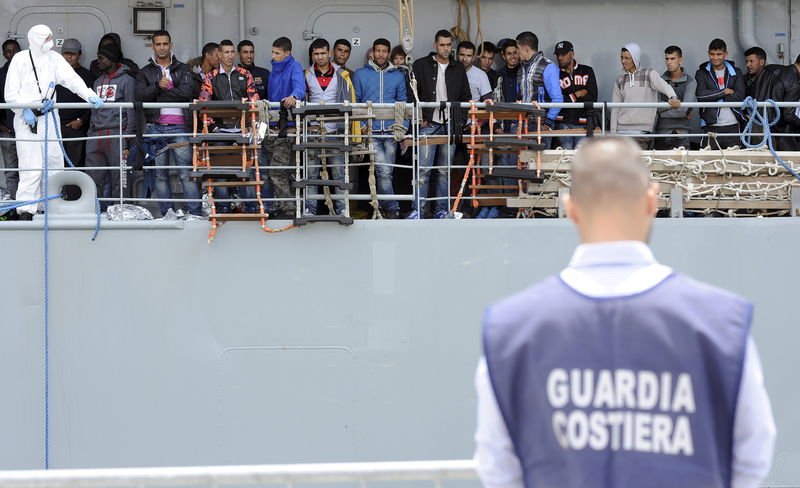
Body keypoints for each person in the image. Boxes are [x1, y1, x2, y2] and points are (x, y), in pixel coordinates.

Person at [475, 136, 776, 488]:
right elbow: (753, 451)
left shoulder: (511, 332)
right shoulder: (721, 325)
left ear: (570, 208)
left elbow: (498, 467)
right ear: (652, 200)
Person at [4, 25, 103, 220]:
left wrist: (89, 96)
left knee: (54, 162)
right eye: (46, 38)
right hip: (26, 121)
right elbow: (10, 92)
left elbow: (72, 80)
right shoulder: (20, 59)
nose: (50, 42)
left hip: (49, 117)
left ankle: (49, 205)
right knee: (30, 165)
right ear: (36, 39)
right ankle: (27, 209)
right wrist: (23, 108)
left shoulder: (54, 59)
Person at [136, 29, 201, 216]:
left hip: (180, 126)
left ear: (171, 45)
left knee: (186, 174)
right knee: (160, 176)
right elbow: (140, 96)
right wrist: (157, 86)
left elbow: (187, 93)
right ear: (153, 46)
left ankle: (195, 213)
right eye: (158, 44)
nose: (162, 47)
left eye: (165, 44)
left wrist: (159, 93)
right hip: (155, 127)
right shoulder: (144, 72)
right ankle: (167, 214)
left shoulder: (183, 68)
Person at [408, 29, 470, 219]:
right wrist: (420, 117)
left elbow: (466, 98)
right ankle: (417, 210)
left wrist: (458, 121)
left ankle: (441, 210)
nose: (445, 48)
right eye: (442, 45)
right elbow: (412, 94)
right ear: (435, 45)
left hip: (450, 125)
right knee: (424, 169)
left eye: (448, 45)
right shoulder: (420, 65)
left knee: (445, 170)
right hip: (428, 123)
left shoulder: (458, 68)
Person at [198, 38, 259, 214]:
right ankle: (223, 209)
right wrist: (214, 128)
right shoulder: (211, 77)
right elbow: (204, 105)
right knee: (220, 173)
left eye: (232, 52)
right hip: (220, 132)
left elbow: (254, 101)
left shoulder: (245, 74)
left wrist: (248, 125)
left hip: (242, 131)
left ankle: (251, 208)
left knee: (245, 170)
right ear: (219, 54)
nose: (230, 55)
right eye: (226, 52)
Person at [354, 37, 408, 219]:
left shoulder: (398, 76)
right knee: (384, 171)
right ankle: (392, 207)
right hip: (371, 133)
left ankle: (385, 208)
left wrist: (402, 129)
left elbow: (403, 105)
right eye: (378, 50)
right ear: (372, 52)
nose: (381, 54)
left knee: (387, 173)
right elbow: (356, 103)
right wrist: (362, 127)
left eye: (384, 51)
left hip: (392, 132)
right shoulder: (361, 74)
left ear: (388, 53)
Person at [303, 38, 352, 216]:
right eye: (316, 54)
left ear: (329, 53)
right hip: (313, 132)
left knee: (339, 173)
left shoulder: (342, 74)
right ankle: (311, 209)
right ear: (312, 55)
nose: (320, 57)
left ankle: (342, 209)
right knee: (311, 174)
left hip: (336, 132)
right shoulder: (306, 74)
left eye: (323, 53)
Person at [86, 43, 136, 211]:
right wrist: (90, 133)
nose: (98, 61)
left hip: (117, 134)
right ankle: (96, 212)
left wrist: (127, 140)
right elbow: (93, 110)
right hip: (97, 135)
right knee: (94, 178)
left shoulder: (127, 81)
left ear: (112, 59)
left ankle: (121, 212)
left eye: (102, 58)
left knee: (119, 180)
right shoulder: (97, 82)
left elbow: (132, 112)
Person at [264, 36, 306, 219]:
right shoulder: (273, 71)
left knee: (277, 170)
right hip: (272, 126)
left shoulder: (294, 66)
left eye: (277, 53)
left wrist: (294, 96)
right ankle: (284, 205)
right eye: (273, 52)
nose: (273, 56)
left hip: (286, 127)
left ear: (287, 53)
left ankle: (289, 208)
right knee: (279, 171)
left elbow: (299, 86)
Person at [611, 42, 680, 149]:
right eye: (621, 57)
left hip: (641, 133)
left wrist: (673, 97)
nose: (623, 61)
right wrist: (613, 135)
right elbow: (615, 109)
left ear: (635, 58)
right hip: (621, 132)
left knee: (635, 164)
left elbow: (664, 86)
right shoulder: (620, 80)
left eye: (627, 58)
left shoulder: (649, 74)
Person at [56, 38, 94, 200]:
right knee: (54, 165)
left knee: (74, 165)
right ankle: (54, 201)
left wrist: (81, 121)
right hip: (54, 127)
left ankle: (73, 201)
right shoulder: (54, 74)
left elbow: (93, 102)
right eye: (66, 53)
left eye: (72, 54)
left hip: (75, 128)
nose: (68, 57)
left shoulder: (86, 75)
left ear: (80, 55)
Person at [695, 38, 746, 150]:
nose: (715, 58)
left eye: (719, 54)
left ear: (726, 54)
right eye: (712, 54)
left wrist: (714, 96)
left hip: (732, 124)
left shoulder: (736, 71)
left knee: (733, 162)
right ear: (708, 54)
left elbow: (740, 96)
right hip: (710, 124)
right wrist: (724, 91)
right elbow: (700, 95)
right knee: (707, 162)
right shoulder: (702, 72)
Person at [554, 40, 598, 149]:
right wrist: (578, 94)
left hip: (583, 123)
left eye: (563, 54)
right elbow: (558, 100)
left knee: (581, 160)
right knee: (564, 159)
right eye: (558, 54)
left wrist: (569, 98)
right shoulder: (555, 73)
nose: (560, 57)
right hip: (562, 122)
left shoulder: (586, 71)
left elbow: (592, 98)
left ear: (572, 54)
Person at [515, 31, 563, 131]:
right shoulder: (521, 67)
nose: (517, 53)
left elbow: (557, 99)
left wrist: (547, 124)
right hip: (522, 122)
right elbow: (519, 95)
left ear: (525, 48)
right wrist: (514, 122)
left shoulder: (548, 66)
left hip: (540, 124)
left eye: (518, 49)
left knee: (540, 147)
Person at [655, 45, 697, 149]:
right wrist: (674, 104)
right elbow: (655, 107)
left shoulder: (690, 81)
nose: (669, 62)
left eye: (672, 58)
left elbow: (684, 110)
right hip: (661, 132)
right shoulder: (659, 80)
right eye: (667, 58)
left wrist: (664, 109)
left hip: (681, 133)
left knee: (683, 165)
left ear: (680, 60)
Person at [0, 39, 20, 206]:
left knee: (32, 170)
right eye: (8, 51)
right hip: (8, 130)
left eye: (14, 50)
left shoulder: (28, 71)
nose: (12, 54)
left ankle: (31, 206)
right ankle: (15, 206)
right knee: (11, 172)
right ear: (4, 54)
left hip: (29, 130)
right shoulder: (0, 75)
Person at [765, 55, 800, 150]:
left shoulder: (772, 69)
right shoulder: (794, 84)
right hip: (775, 129)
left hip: (759, 124)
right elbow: (789, 116)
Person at [744, 46, 784, 129]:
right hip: (750, 123)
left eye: (751, 61)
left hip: (769, 125)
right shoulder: (743, 78)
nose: (748, 65)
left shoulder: (772, 78)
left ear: (761, 62)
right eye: (746, 61)